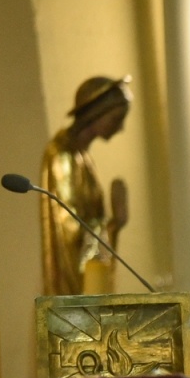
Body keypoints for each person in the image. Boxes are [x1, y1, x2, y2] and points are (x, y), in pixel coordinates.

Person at [39, 76, 132, 296]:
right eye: (116, 118)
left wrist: (115, 223)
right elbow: (70, 232)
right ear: (97, 113)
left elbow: (90, 222)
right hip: (72, 287)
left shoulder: (83, 157)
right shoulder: (61, 156)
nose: (120, 127)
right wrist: (113, 223)